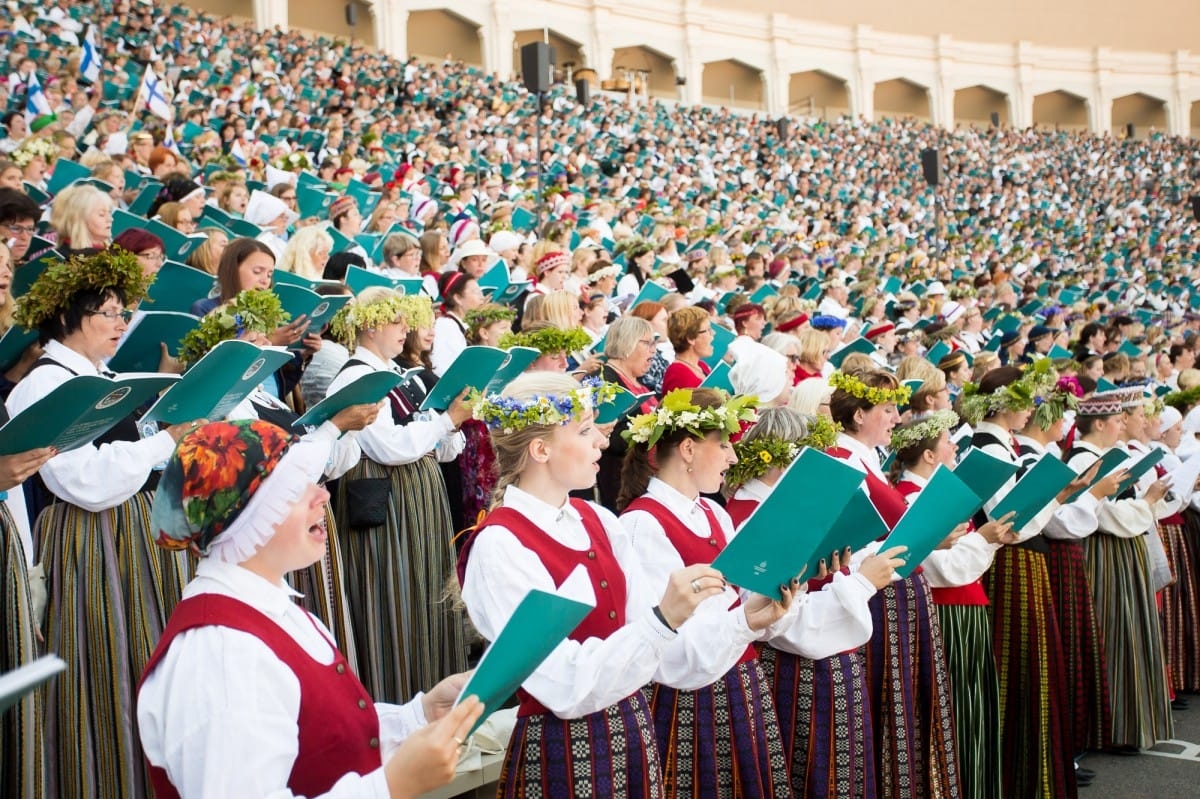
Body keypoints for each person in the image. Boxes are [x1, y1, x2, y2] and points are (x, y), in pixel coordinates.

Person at [458, 372, 786, 798]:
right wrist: (663, 619)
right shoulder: (501, 544)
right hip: (564, 747)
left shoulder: (600, 521)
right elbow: (561, 682)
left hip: (632, 726)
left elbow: (668, 659)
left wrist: (742, 621)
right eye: (584, 429)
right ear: (540, 449)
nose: (600, 440)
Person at [137, 418, 484, 798]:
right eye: (294, 490)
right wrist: (390, 786)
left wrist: (418, 716)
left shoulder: (272, 610)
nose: (323, 495)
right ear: (244, 520)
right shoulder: (222, 653)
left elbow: (319, 741)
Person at [6, 248, 202, 798]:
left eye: (123, 312)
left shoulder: (102, 375)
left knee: (149, 661)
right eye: (109, 312)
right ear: (69, 316)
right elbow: (85, 483)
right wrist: (163, 442)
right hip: (93, 542)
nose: (120, 324)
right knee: (109, 670)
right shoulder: (46, 385)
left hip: (135, 531)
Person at [616, 387, 799, 797]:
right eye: (724, 444)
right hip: (690, 697)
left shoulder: (713, 511)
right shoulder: (643, 525)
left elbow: (737, 600)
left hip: (739, 675)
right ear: (687, 449)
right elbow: (669, 640)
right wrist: (744, 621)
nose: (733, 457)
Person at [725, 407, 902, 799]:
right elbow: (785, 619)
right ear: (788, 458)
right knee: (818, 779)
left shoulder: (775, 509)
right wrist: (860, 583)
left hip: (823, 658)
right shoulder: (753, 516)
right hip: (799, 666)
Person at [324, 288, 471, 703]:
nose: (405, 329)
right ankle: (402, 702)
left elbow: (434, 445)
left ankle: (431, 695)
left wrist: (449, 423)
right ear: (370, 325)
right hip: (390, 509)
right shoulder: (359, 375)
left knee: (424, 598)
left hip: (415, 502)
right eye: (396, 320)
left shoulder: (396, 374)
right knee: (395, 605)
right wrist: (444, 422)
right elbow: (390, 447)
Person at [824, 368, 961, 799]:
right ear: (859, 415)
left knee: (909, 704)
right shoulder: (844, 461)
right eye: (886, 409)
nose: (897, 417)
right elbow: (852, 540)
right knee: (893, 706)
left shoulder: (869, 460)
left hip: (899, 588)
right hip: (882, 594)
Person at [960, 363, 1089, 798]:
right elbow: (1010, 522)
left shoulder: (1002, 447)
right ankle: (1021, 775)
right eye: (1025, 402)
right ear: (1007, 406)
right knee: (1020, 664)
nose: (1031, 410)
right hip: (1011, 563)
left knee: (1030, 662)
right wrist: (1055, 497)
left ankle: (1032, 771)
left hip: (1018, 561)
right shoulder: (991, 451)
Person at [890, 410, 1017, 799]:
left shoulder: (933, 494)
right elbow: (944, 568)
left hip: (964, 607)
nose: (955, 447)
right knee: (958, 710)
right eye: (947, 441)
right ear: (929, 455)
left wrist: (985, 540)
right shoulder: (913, 498)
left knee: (972, 707)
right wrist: (987, 539)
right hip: (948, 612)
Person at [430, 271, 484, 375]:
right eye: (476, 292)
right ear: (458, 298)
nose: (482, 297)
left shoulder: (464, 324)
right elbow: (442, 369)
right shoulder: (446, 326)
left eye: (480, 292)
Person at [662, 306, 713, 393]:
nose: (713, 333)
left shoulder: (701, 365)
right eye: (708, 330)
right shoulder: (678, 374)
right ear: (690, 338)